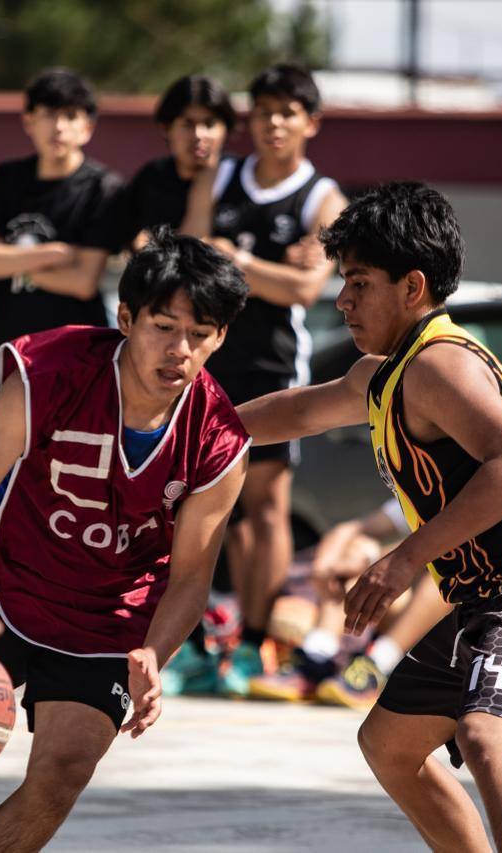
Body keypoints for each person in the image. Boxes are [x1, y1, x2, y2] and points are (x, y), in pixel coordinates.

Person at [0, 229, 250, 852]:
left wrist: (156, 653)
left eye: (200, 333)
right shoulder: (50, 372)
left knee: (64, 772)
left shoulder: (220, 441)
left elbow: (190, 578)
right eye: (163, 325)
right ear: (125, 317)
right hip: (1, 579)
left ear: (220, 337)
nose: (180, 348)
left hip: (106, 617)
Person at [236, 181, 502, 852]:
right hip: (486, 596)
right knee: (389, 743)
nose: (341, 299)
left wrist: (403, 559)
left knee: (487, 735)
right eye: (342, 280)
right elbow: (296, 411)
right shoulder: (385, 375)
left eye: (358, 282)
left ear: (412, 286)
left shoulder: (439, 364)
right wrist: (187, 433)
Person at [177, 63, 347, 697]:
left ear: (310, 122)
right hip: (207, 356)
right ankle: (194, 641)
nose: (274, 123)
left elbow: (306, 287)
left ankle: (256, 641)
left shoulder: (321, 197)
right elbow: (192, 253)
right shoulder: (221, 175)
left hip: (272, 363)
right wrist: (251, 265)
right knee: (198, 497)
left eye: (287, 112)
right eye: (265, 110)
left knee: (265, 506)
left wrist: (237, 257)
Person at [0, 67, 124, 388]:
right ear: (29, 121)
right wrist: (54, 253)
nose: (59, 127)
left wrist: (8, 264)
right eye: (49, 114)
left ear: (88, 127)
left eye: (70, 116)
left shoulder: (103, 188)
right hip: (10, 360)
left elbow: (82, 282)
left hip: (80, 365)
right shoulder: (9, 178)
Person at [248, 499, 452, 708]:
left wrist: (373, 559)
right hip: (400, 607)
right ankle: (317, 658)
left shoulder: (469, 486)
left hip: (448, 622)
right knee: (356, 547)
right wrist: (325, 566)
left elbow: (442, 544)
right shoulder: (428, 486)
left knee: (449, 565)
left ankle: (378, 665)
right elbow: (350, 529)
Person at [117, 73, 235, 249]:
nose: (199, 135)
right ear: (166, 128)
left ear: (226, 129)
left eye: (209, 124)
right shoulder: (152, 178)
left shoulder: (242, 177)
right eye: (188, 124)